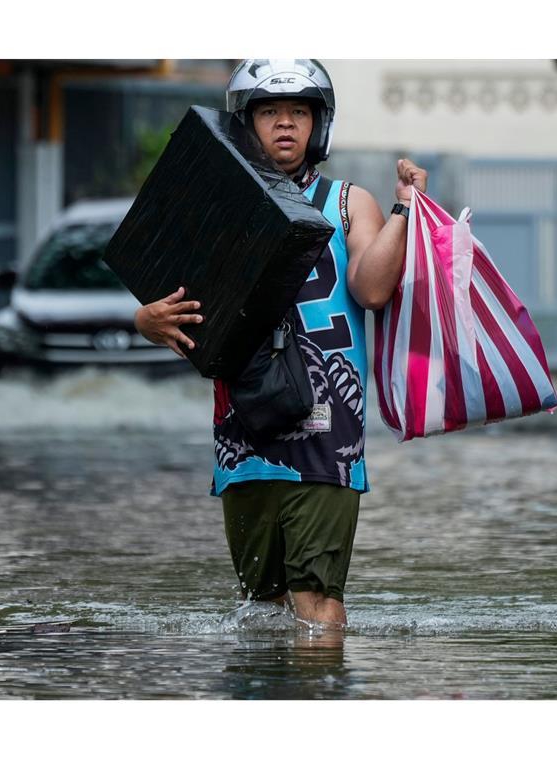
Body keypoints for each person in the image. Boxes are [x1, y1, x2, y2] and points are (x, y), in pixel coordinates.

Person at [135, 59, 426, 629]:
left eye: (299, 112)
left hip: (328, 435)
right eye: (270, 112)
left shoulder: (348, 202)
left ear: (319, 125)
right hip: (242, 435)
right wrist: (146, 320)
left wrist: (404, 210)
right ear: (247, 123)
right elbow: (164, 299)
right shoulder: (212, 206)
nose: (286, 124)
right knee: (259, 610)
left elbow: (371, 290)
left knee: (317, 604)